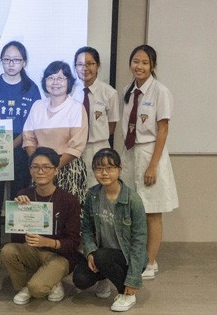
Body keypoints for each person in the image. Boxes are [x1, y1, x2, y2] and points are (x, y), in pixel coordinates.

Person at [119, 44, 178, 280]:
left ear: (153, 66)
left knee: (152, 212)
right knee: (132, 210)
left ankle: (151, 262)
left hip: (150, 153)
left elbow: (163, 130)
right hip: (131, 154)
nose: (139, 66)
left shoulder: (160, 91)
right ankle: (136, 257)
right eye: (136, 61)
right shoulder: (127, 90)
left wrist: (153, 165)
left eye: (145, 62)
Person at [0, 41, 42, 273]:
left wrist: (13, 143)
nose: (11, 64)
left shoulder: (32, 88)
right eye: (7, 59)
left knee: (20, 200)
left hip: (21, 151)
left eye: (16, 60)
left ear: (24, 62)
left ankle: (18, 248)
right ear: (1, 61)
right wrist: (0, 145)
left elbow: (32, 123)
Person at [0, 147, 82, 305]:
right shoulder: (24, 194)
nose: (40, 171)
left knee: (38, 290)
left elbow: (74, 242)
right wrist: (19, 211)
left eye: (46, 167)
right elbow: (15, 239)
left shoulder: (69, 200)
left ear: (56, 170)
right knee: (7, 251)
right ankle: (26, 286)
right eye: (35, 167)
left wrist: (48, 242)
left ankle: (49, 282)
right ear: (30, 170)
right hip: (33, 252)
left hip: (60, 256)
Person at [72, 148, 147, 312]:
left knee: (103, 256)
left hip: (127, 257)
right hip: (101, 255)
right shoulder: (92, 195)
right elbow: (87, 229)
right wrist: (90, 251)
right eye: (99, 168)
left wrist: (133, 278)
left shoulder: (133, 200)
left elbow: (139, 241)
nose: (104, 173)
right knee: (80, 279)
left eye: (110, 168)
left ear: (119, 169)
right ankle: (105, 276)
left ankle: (126, 294)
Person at [22, 61, 89, 204]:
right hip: (40, 169)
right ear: (45, 81)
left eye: (60, 78)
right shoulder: (37, 106)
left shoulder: (76, 107)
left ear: (69, 82)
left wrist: (53, 167)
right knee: (39, 215)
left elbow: (76, 145)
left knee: (67, 214)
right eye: (51, 78)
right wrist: (39, 165)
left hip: (68, 168)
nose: (55, 82)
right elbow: (28, 139)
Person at [71, 47, 120, 188]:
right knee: (76, 189)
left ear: (98, 65)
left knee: (98, 191)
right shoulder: (70, 91)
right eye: (80, 64)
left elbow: (112, 126)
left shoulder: (109, 93)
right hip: (74, 150)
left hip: (99, 148)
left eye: (90, 63)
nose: (84, 68)